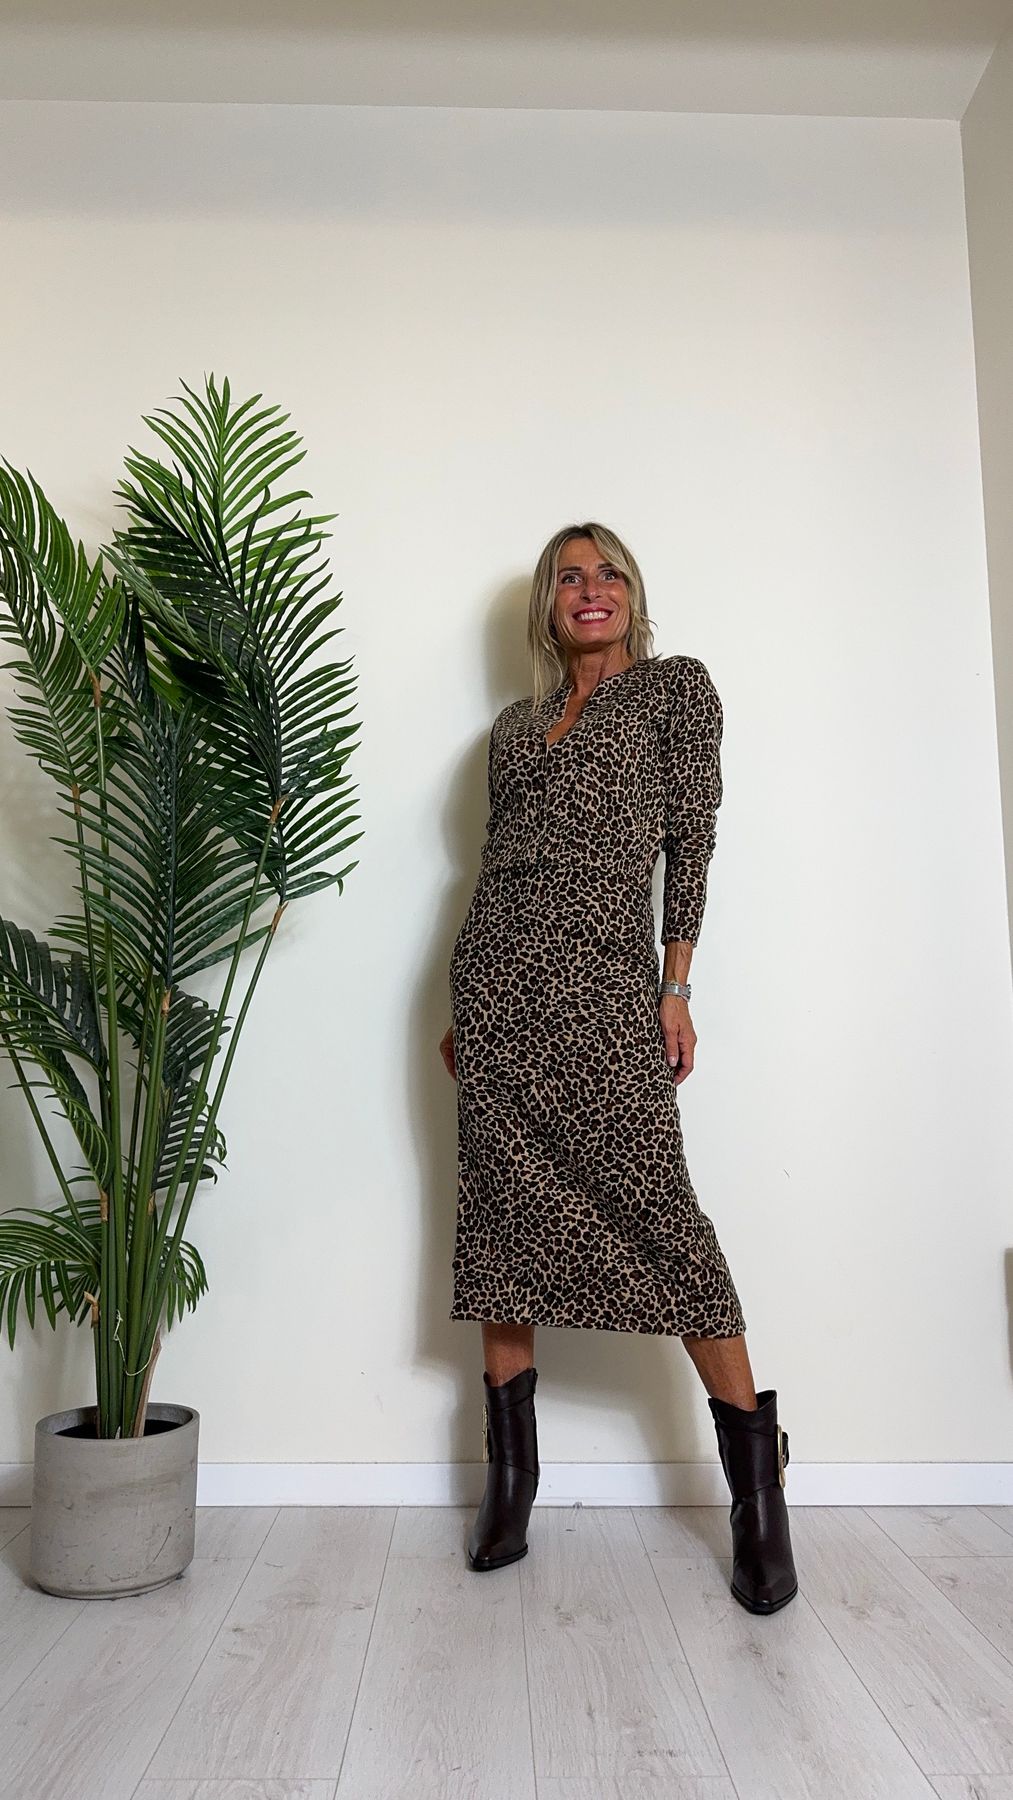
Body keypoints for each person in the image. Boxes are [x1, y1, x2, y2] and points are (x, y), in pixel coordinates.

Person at [439, 522, 797, 1614]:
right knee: (500, 1219)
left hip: (603, 986)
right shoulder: (513, 727)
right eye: (567, 577)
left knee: (662, 1218)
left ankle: (757, 1497)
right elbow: (494, 862)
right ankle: (511, 1484)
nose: (587, 590)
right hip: (494, 988)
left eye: (607, 574)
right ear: (546, 605)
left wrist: (673, 986)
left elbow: (691, 840)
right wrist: (464, 1001)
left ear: (631, 593)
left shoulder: (674, 691)